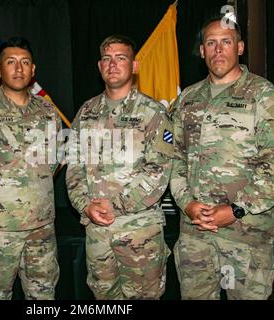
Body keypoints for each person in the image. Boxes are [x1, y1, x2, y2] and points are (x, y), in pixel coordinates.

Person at [170, 17, 274, 300]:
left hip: (246, 237)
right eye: (210, 43)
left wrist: (236, 210)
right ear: (202, 51)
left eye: (225, 42)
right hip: (196, 237)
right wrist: (187, 203)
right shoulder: (187, 100)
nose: (218, 50)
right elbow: (173, 158)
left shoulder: (264, 97)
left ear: (239, 47)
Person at [66, 34, 173, 299]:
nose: (113, 65)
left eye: (121, 58)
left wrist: (115, 205)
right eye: (107, 59)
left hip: (139, 232)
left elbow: (157, 171)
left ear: (134, 66)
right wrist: (85, 205)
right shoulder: (87, 111)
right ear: (100, 66)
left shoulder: (153, 113)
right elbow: (74, 166)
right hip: (97, 231)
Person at [0, 36, 61, 300]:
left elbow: (53, 162)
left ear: (33, 70)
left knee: (43, 298)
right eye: (11, 62)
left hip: (41, 230)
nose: (18, 69)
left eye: (25, 62)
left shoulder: (48, 113)